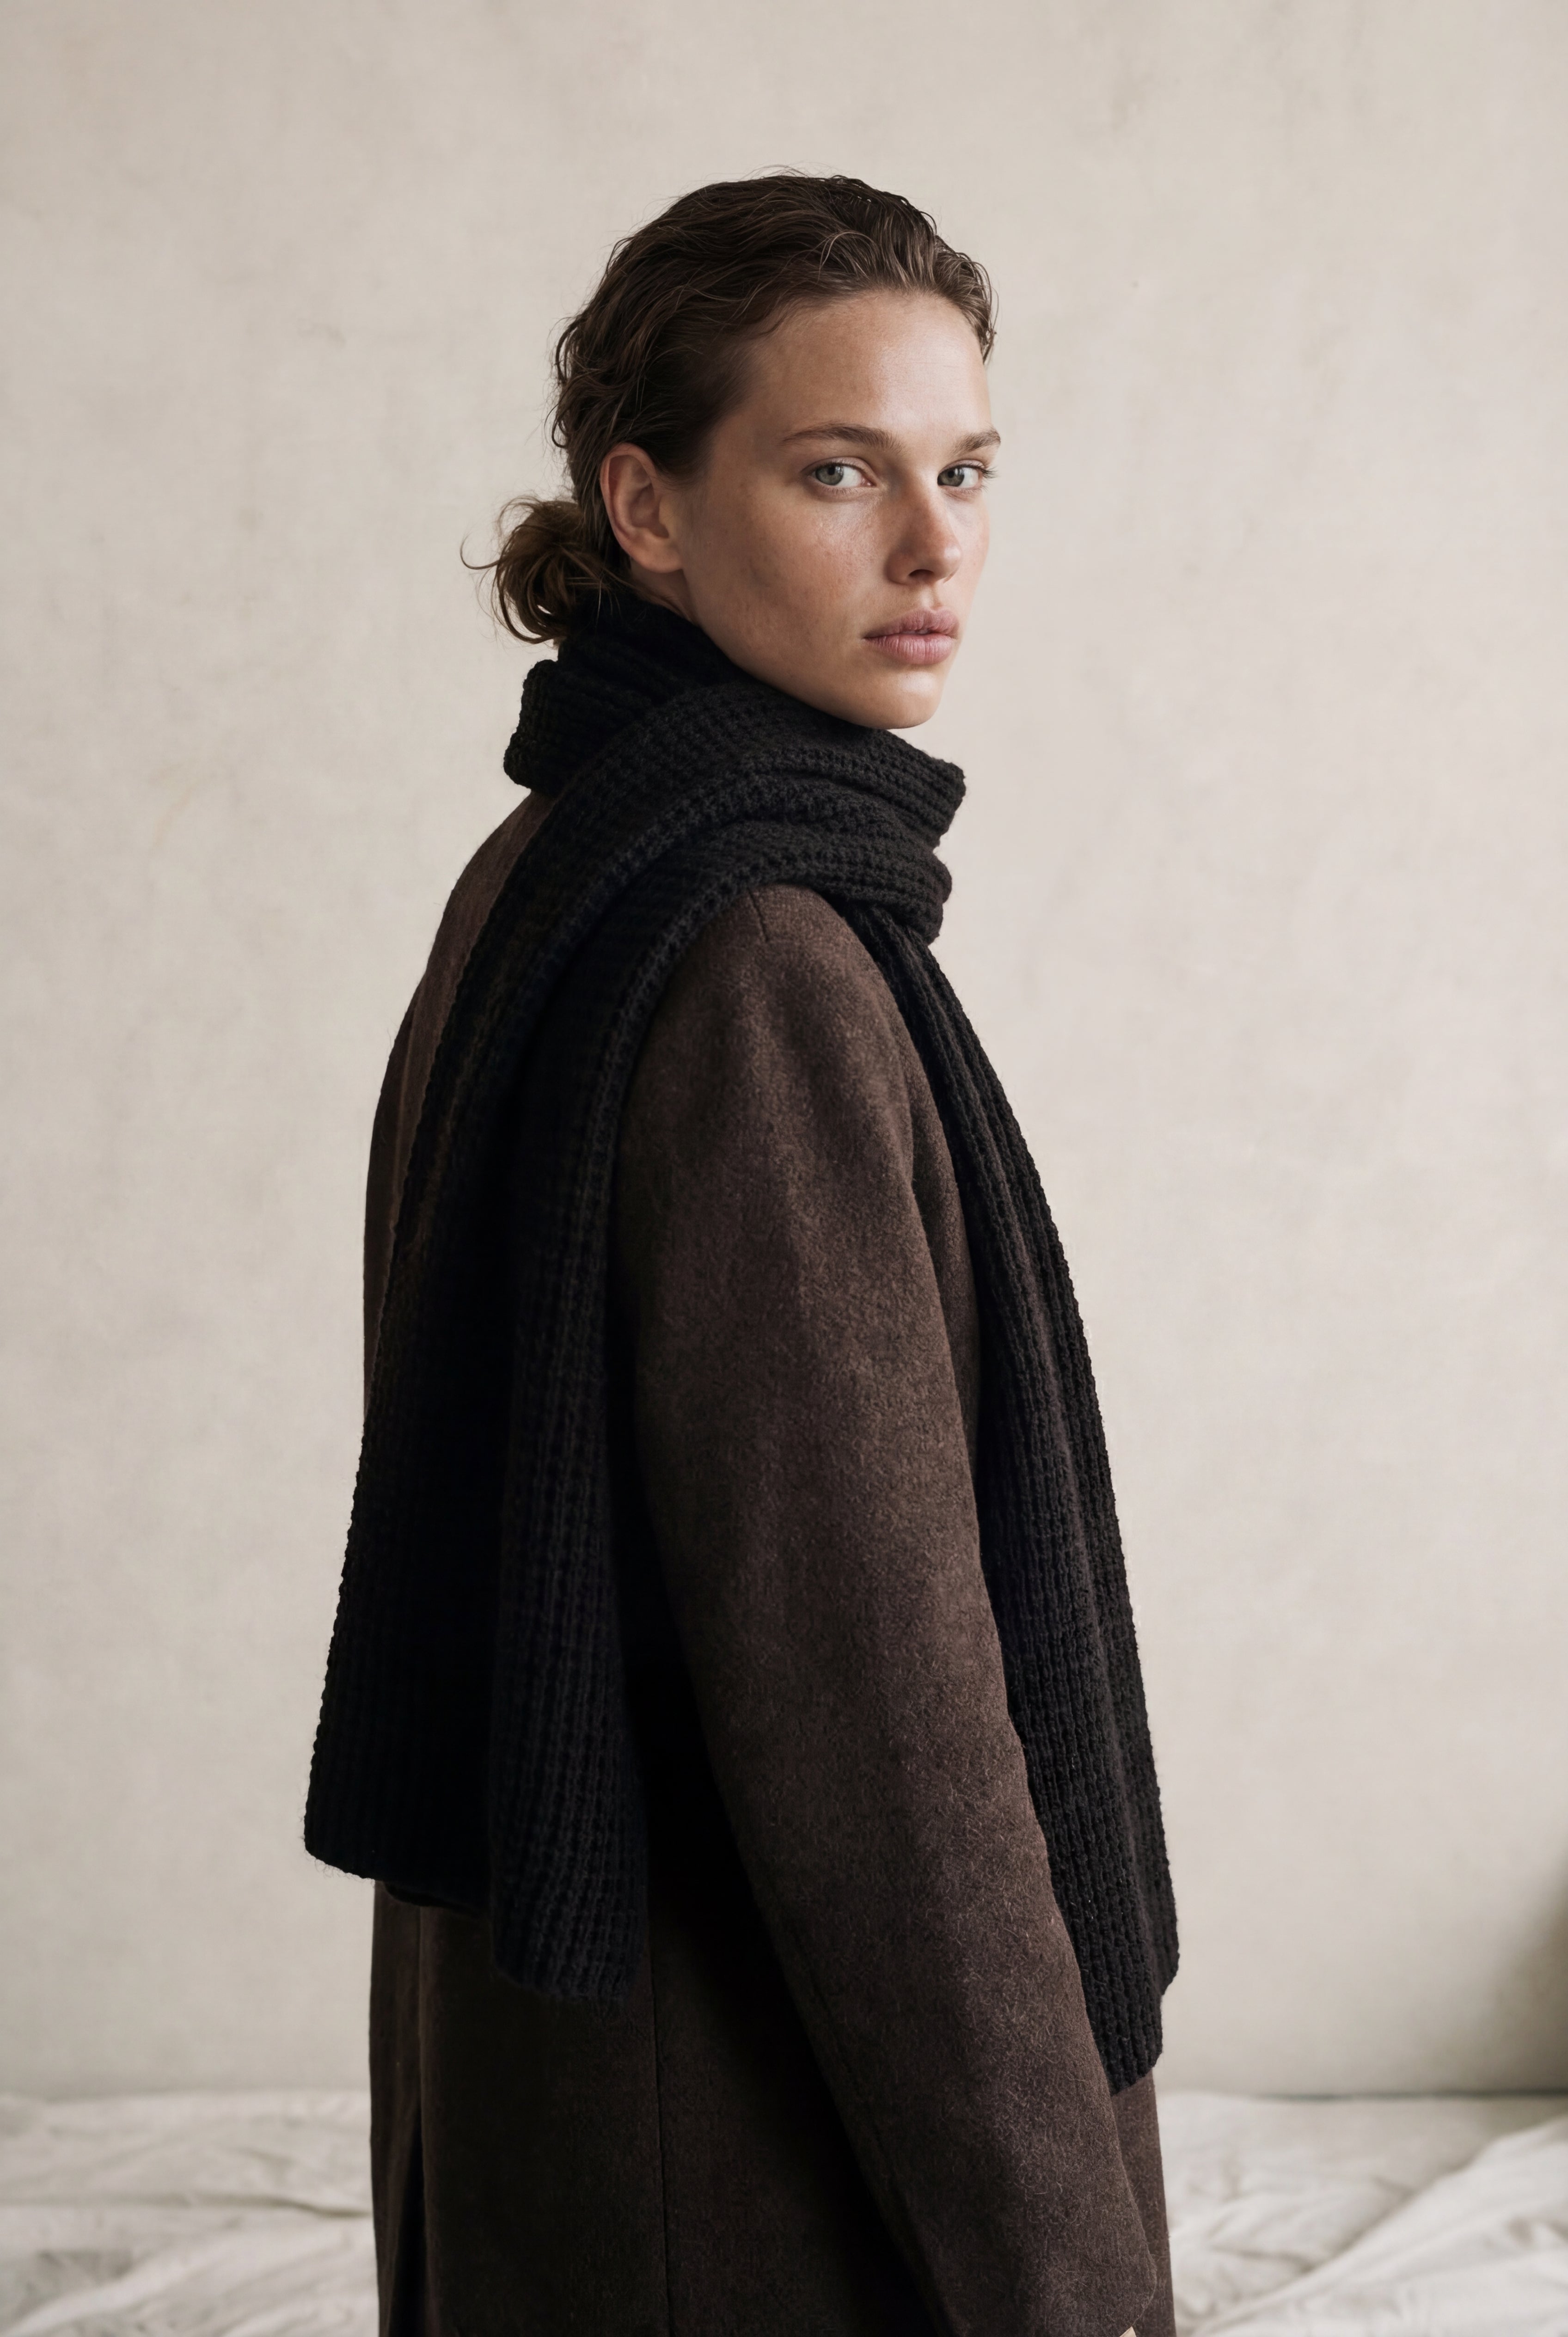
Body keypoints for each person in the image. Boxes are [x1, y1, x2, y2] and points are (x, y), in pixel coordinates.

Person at [306, 171, 1178, 2337]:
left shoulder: (556, 867)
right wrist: (1070, 2287)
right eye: (837, 471)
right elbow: (885, 1738)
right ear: (650, 509)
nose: (933, 546)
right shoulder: (752, 958)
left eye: (964, 469)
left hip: (559, 2120)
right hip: (750, 2179)